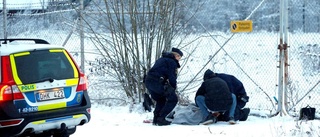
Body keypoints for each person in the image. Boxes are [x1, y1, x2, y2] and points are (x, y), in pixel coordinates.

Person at [144, 47, 183, 126]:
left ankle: (156, 119)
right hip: (156, 81)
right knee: (173, 99)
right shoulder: (172, 62)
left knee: (161, 99)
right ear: (175, 55)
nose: (179, 59)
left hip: (148, 81)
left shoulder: (162, 59)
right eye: (179, 57)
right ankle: (161, 118)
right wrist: (173, 88)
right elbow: (172, 77)